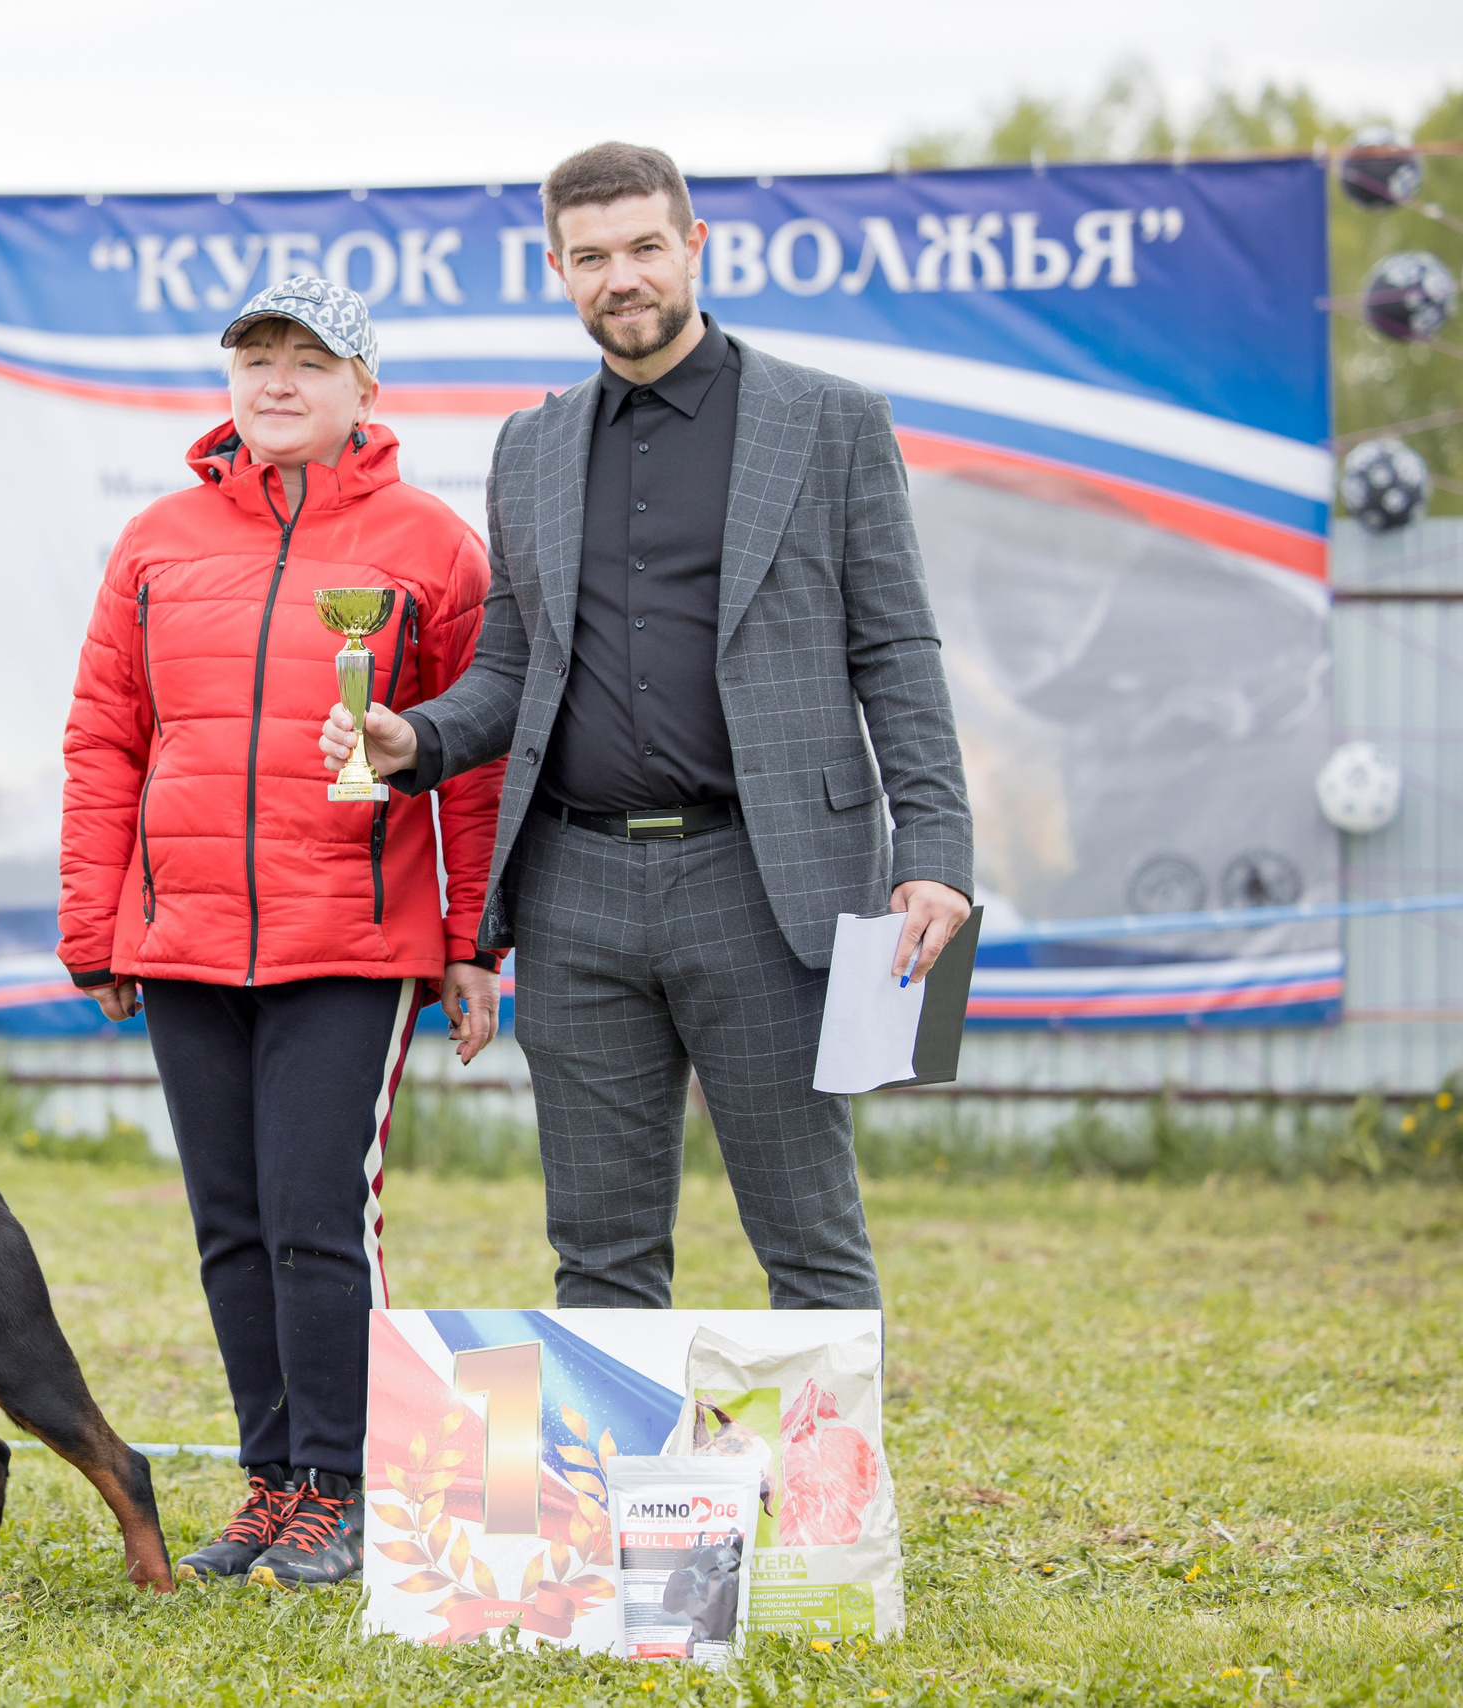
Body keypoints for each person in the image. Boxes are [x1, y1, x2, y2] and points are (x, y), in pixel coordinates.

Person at [321, 142, 974, 1312]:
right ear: (559, 270)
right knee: (601, 1252)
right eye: (590, 257)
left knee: (808, 1239)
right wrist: (411, 740)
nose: (620, 277)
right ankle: (608, 1501)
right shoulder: (531, 447)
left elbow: (897, 649)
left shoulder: (828, 422)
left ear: (693, 249)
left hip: (763, 877)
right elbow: (513, 667)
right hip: (575, 888)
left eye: (642, 248)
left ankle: (827, 1501)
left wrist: (933, 855)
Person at [59, 277, 505, 1588]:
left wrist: (472, 939)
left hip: (351, 944)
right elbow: (103, 741)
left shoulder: (433, 547)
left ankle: (344, 1488)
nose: (277, 380)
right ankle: (268, 1488)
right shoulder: (154, 540)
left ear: (368, 387)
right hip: (187, 940)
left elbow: (469, 764)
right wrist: (99, 928)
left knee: (321, 1219)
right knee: (231, 1222)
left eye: (310, 359)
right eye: (256, 357)